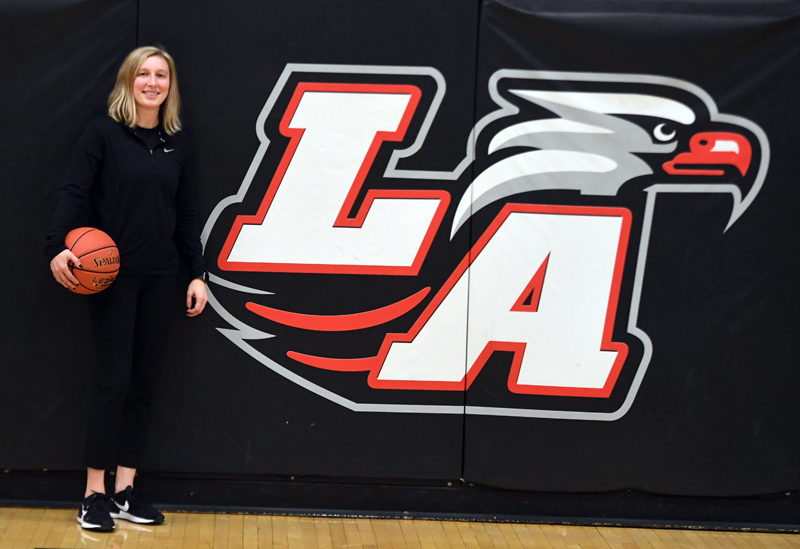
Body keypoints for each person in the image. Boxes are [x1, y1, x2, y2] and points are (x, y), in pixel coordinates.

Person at [45, 46, 208, 532]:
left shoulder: (179, 142)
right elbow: (73, 192)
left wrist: (197, 272)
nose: (152, 83)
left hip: (162, 277)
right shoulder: (102, 134)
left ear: (170, 86)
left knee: (144, 385)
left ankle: (124, 491)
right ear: (128, 82)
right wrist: (57, 245)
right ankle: (93, 495)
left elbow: (186, 215)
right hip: (113, 277)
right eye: (144, 74)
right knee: (113, 381)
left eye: (161, 75)